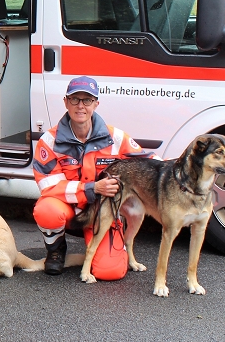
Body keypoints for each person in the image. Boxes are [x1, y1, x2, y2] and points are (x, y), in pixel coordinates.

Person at [32, 76, 150, 275]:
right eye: (74, 99)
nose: (81, 106)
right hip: (68, 209)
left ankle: (108, 244)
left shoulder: (115, 137)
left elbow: (146, 162)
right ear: (66, 102)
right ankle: (56, 249)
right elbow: (48, 186)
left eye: (87, 100)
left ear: (96, 104)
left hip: (102, 212)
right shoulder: (49, 141)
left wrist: (173, 170)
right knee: (46, 210)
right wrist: (92, 188)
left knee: (110, 272)